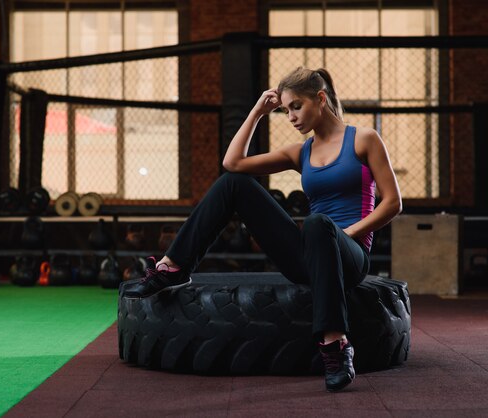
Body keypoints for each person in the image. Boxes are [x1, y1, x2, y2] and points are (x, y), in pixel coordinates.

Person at [124, 67, 402, 392]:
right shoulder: (301, 152)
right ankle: (173, 267)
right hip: (308, 256)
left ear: (320, 99)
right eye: (285, 111)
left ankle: (335, 345)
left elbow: (392, 202)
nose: (291, 117)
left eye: (296, 106)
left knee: (316, 223)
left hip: (350, 258)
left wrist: (349, 234)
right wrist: (257, 111)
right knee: (233, 184)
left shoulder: (364, 139)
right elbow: (233, 163)